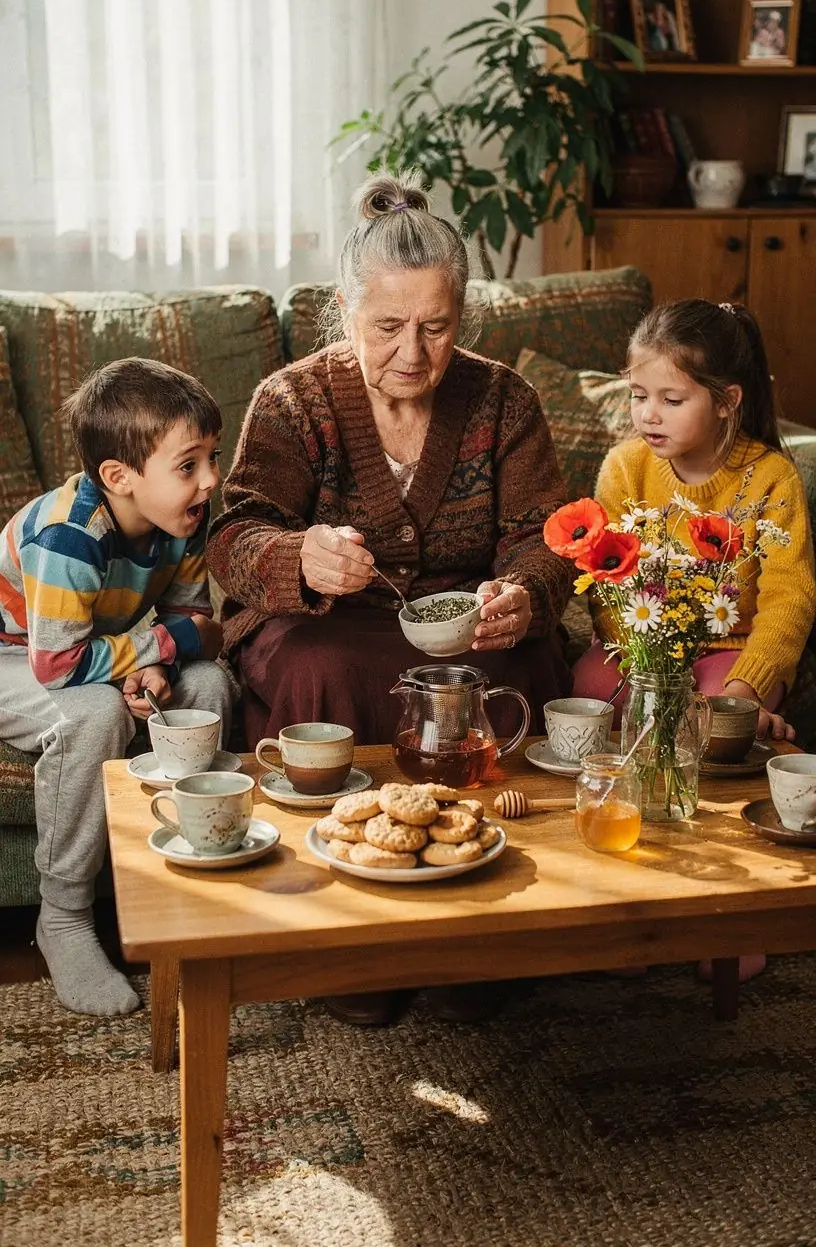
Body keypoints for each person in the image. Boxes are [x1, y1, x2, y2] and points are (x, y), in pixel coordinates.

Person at [208, 171, 574, 1023]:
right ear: (345, 310)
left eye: (436, 328)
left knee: (526, 653)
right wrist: (300, 556)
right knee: (323, 665)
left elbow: (549, 533)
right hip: (329, 621)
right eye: (388, 327)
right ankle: (343, 941)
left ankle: (490, 936)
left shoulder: (502, 399)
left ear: (463, 318)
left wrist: (522, 591)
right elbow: (232, 537)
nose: (413, 352)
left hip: (465, 624)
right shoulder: (293, 399)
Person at [571, 300, 816, 980]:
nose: (648, 414)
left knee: (713, 717)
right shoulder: (624, 468)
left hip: (729, 654)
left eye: (671, 398)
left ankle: (725, 913)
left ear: (727, 401)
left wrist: (749, 687)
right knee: (590, 690)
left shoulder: (768, 476)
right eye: (638, 395)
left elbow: (790, 597)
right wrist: (647, 656)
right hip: (641, 649)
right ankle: (615, 893)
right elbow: (607, 581)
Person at [0, 359, 234, 1016]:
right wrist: (158, 649)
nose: (210, 479)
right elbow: (59, 666)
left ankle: (197, 872)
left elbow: (198, 625)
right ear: (118, 479)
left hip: (84, 648)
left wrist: (159, 664)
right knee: (94, 714)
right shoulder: (68, 537)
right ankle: (64, 917)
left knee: (211, 687)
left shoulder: (185, 518)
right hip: (14, 654)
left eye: (211, 457)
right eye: (188, 465)